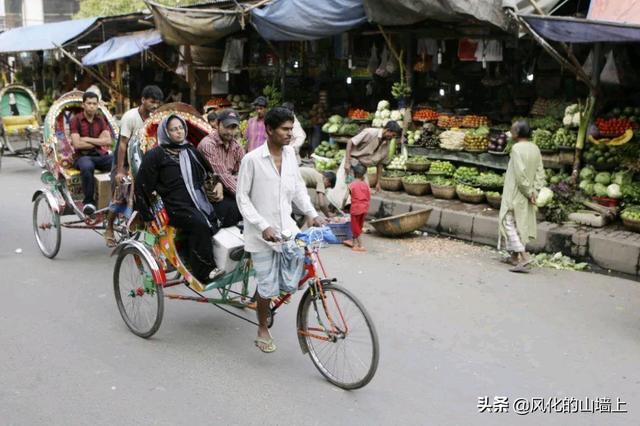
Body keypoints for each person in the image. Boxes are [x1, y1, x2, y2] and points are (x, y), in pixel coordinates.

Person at [237, 107, 325, 353]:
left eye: (291, 128)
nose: (290, 134)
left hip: (287, 228)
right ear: (269, 130)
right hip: (261, 235)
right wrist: (263, 226)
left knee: (292, 276)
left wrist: (312, 213)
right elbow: (242, 198)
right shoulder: (252, 159)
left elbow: (297, 188)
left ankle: (262, 296)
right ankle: (262, 327)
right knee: (267, 286)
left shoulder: (290, 156)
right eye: (285, 129)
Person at [135, 115, 224, 283]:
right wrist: (147, 216)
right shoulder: (155, 155)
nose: (179, 132)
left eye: (181, 128)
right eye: (174, 129)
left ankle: (226, 260)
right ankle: (204, 271)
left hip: (198, 200)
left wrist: (217, 183)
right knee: (199, 223)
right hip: (175, 205)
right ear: (165, 132)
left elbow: (209, 172)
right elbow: (142, 186)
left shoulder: (190, 150)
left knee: (228, 212)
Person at [104, 85, 163, 247]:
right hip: (125, 158)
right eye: (152, 102)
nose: (155, 106)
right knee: (121, 189)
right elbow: (122, 144)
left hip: (144, 158)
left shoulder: (157, 117)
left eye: (157, 103)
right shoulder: (130, 117)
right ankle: (109, 227)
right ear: (143, 100)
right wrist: (121, 170)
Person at [498, 120, 546, 273]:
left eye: (512, 130)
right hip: (527, 193)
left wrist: (528, 191)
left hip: (516, 192)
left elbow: (519, 175)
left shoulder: (516, 149)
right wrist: (534, 192)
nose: (510, 132)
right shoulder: (535, 148)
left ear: (518, 133)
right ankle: (513, 257)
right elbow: (540, 173)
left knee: (507, 222)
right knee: (519, 223)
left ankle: (524, 256)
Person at [327, 121, 401, 209]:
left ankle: (348, 214)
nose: (392, 138)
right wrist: (347, 162)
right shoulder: (370, 133)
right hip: (351, 162)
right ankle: (332, 211)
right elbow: (350, 142)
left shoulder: (386, 145)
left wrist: (378, 182)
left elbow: (380, 164)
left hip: (361, 169)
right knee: (342, 190)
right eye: (392, 135)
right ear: (388, 130)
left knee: (358, 193)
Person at [197, 108, 244, 227]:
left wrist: (222, 183)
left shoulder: (237, 146)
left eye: (233, 128)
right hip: (208, 192)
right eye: (226, 127)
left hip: (226, 188)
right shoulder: (208, 145)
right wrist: (246, 197)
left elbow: (243, 173)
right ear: (217, 124)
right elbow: (223, 174)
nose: (230, 132)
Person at [70, 92, 113, 216]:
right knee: (87, 166)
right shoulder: (76, 120)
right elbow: (77, 144)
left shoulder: (100, 120)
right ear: (83, 104)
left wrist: (87, 139)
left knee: (117, 161)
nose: (92, 106)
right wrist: (99, 142)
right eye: (89, 103)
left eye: (94, 104)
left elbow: (108, 141)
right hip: (82, 157)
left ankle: (116, 199)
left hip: (99, 155)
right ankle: (89, 202)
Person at [346, 163, 370, 252]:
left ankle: (360, 245)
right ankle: (354, 243)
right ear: (363, 176)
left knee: (355, 227)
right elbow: (368, 196)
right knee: (359, 226)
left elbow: (346, 197)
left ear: (354, 174)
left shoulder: (351, 185)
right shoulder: (366, 185)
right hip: (364, 208)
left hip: (356, 209)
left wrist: (344, 205)